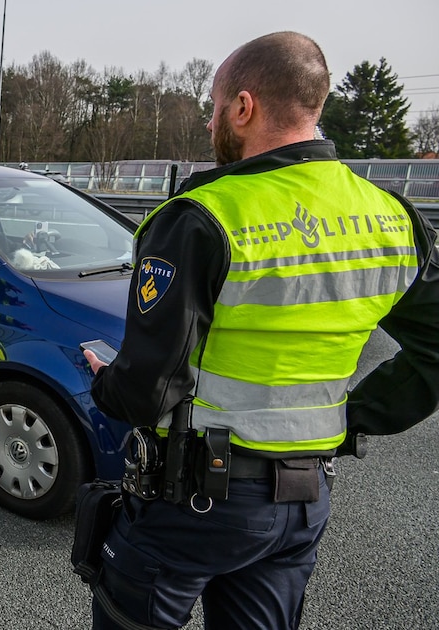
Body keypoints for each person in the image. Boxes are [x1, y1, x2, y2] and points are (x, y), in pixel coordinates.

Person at [81, 31, 439, 629]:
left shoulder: (204, 216)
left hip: (195, 500)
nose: (211, 122)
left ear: (243, 107)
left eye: (215, 107)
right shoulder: (391, 216)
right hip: (304, 498)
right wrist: (352, 416)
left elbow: (150, 387)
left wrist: (105, 383)